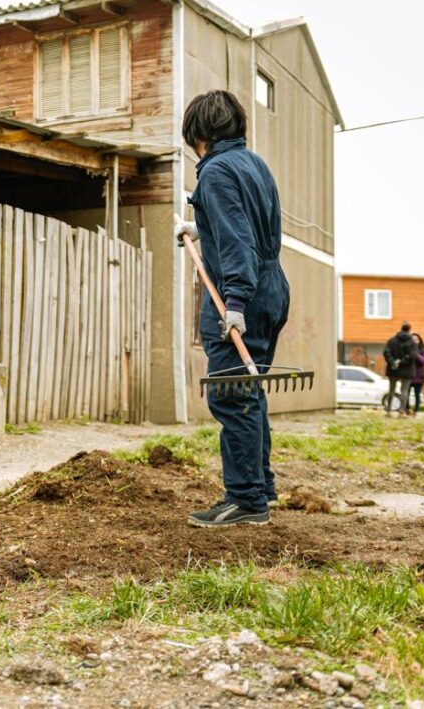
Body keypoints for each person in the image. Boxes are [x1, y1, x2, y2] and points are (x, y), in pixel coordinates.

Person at [174, 90, 290, 528]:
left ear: (199, 135)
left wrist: (235, 303)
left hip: (240, 293)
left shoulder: (216, 172)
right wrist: (200, 227)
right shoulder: (253, 164)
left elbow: (238, 238)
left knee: (232, 395)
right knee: (249, 390)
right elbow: (247, 226)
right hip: (272, 287)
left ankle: (245, 500)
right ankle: (260, 486)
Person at [384, 322, 417, 417]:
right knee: (404, 390)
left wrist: (393, 362)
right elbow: (413, 355)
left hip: (393, 368)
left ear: (401, 328)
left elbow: (386, 352)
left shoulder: (392, 340)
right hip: (407, 369)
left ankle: (388, 411)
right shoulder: (412, 342)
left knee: (391, 390)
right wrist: (402, 361)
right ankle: (401, 411)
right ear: (409, 329)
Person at [411, 332, 424, 414]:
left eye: (416, 339)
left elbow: (423, 361)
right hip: (408, 375)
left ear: (419, 341)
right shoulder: (407, 349)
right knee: (405, 393)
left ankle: (416, 410)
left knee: (417, 395)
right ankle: (406, 409)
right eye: (412, 339)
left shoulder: (423, 350)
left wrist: (416, 354)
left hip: (419, 376)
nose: (414, 341)